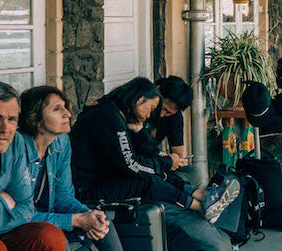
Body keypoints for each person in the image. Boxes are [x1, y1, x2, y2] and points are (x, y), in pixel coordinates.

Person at [15, 85, 169, 251]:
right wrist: (75, 220)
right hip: (24, 227)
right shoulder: (19, 148)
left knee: (105, 226)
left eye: (65, 107)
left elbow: (64, 196)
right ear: (35, 118)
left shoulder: (61, 143)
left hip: (51, 218)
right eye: (57, 109)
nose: (67, 114)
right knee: (61, 241)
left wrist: (88, 215)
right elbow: (23, 215)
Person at [71, 78, 213, 216]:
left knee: (156, 169)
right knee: (149, 180)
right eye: (152, 108)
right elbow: (131, 165)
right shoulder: (110, 117)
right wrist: (166, 162)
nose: (152, 114)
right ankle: (200, 207)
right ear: (140, 99)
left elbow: (143, 155)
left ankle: (201, 195)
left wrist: (158, 156)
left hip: (105, 179)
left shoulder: (120, 115)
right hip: (88, 189)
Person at [0, 82, 67, 251]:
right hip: (6, 230)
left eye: (12, 119)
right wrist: (5, 202)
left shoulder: (16, 143)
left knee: (50, 237)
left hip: (7, 228)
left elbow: (26, 208)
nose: (5, 128)